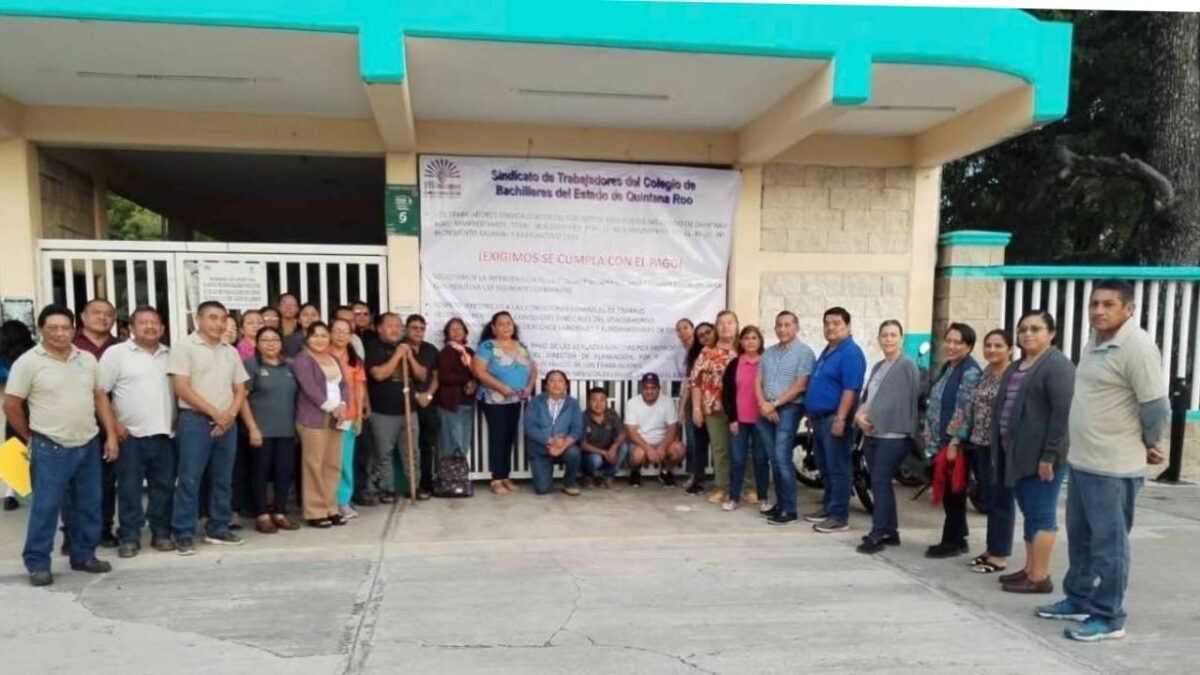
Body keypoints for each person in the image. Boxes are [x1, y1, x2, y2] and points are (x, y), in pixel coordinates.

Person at [1037, 280, 1169, 641]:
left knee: (1110, 545)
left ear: (1128, 309)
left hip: (1113, 467)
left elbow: (1156, 405)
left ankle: (1109, 616)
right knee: (1080, 538)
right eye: (1094, 303)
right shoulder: (1095, 341)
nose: (1098, 310)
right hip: (1082, 461)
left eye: (1108, 304)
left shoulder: (1137, 347)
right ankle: (1079, 598)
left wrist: (1151, 441)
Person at [3, 304, 119, 586]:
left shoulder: (87, 359)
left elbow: (100, 398)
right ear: (41, 330)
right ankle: (38, 563)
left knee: (90, 505)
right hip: (50, 448)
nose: (59, 333)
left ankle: (83, 555)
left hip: (88, 444)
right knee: (46, 507)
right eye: (52, 328)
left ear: (73, 329)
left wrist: (111, 435)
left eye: (65, 327)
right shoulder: (29, 362)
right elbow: (11, 404)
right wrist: (30, 437)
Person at [992, 310, 1075, 594]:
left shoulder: (1057, 366)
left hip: (1041, 459)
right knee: (1029, 514)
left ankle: (1039, 577)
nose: (1028, 334)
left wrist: (1049, 455)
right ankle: (1029, 568)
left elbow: (1062, 415)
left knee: (1041, 515)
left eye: (1036, 329)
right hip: (1016, 455)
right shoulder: (1018, 366)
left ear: (1051, 334)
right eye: (1023, 329)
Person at [169, 301, 249, 555]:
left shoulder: (230, 351)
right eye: (213, 318)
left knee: (222, 479)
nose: (219, 323)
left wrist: (229, 415)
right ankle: (183, 532)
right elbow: (182, 387)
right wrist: (216, 414)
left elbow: (240, 389)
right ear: (198, 320)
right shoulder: (184, 348)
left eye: (223, 318)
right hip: (195, 422)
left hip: (227, 422)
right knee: (190, 479)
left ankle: (218, 526)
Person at [99, 306, 177, 558]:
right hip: (130, 435)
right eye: (143, 322)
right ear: (131, 328)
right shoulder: (116, 354)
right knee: (129, 488)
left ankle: (161, 532)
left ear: (163, 328)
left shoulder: (171, 355)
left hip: (166, 434)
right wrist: (115, 427)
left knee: (163, 487)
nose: (150, 326)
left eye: (155, 322)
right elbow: (100, 393)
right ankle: (129, 536)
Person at [853, 320, 920, 553]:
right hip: (872, 433)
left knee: (880, 483)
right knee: (879, 483)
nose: (888, 339)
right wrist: (860, 416)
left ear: (901, 338)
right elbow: (868, 396)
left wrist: (870, 418)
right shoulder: (879, 366)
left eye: (893, 335)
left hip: (893, 435)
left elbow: (901, 402)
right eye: (884, 335)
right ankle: (890, 531)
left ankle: (878, 532)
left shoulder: (907, 366)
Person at [922, 323, 982, 558]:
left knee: (954, 492)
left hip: (954, 445)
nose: (951, 346)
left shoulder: (970, 372)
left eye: (958, 342)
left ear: (968, 346)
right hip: (940, 442)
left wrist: (954, 442)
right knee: (949, 492)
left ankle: (953, 541)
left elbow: (965, 410)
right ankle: (958, 536)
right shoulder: (949, 367)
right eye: (948, 341)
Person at [805, 307, 867, 534]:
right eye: (827, 323)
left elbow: (850, 389)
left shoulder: (850, 352)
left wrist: (841, 418)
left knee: (839, 468)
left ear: (847, 326)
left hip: (835, 418)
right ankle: (829, 508)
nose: (831, 327)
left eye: (836, 323)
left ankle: (839, 517)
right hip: (820, 419)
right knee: (826, 467)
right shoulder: (829, 350)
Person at [238, 326, 300, 534]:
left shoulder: (289, 367)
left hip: (286, 431)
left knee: (284, 472)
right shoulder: (250, 366)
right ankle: (262, 515)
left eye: (275, 339)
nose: (271, 343)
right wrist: (252, 428)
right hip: (260, 431)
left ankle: (280, 513)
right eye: (265, 340)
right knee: (260, 473)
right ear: (257, 343)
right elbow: (241, 400)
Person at [756, 311, 815, 525]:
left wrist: (775, 404)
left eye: (787, 325)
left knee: (781, 458)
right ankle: (780, 504)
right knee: (775, 460)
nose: (782, 329)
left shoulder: (804, 353)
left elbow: (800, 385)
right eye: (779, 325)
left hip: (788, 408)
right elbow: (758, 381)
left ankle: (789, 510)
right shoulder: (768, 354)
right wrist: (764, 404)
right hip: (765, 409)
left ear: (796, 328)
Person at [71, 298, 120, 548]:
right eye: (96, 313)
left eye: (108, 314)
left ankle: (103, 529)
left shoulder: (120, 347)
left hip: (110, 426)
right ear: (83, 316)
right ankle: (72, 533)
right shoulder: (70, 346)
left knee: (106, 482)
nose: (102, 317)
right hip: (76, 424)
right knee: (73, 483)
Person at [966, 329, 1016, 574]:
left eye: (998, 345)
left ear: (1009, 349)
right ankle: (990, 549)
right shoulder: (985, 373)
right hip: (980, 444)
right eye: (988, 345)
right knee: (988, 498)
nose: (992, 350)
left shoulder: (1013, 375)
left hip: (1001, 448)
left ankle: (999, 555)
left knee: (1001, 501)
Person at [690, 311, 753, 501]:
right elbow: (695, 382)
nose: (726, 327)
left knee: (746, 449)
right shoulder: (707, 352)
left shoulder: (745, 350)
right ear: (716, 328)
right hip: (714, 408)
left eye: (730, 322)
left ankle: (749, 487)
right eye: (721, 323)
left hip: (742, 408)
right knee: (720, 450)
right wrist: (696, 408)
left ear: (737, 325)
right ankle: (722, 487)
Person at [471, 311, 537, 495]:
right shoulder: (487, 346)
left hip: (515, 399)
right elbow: (478, 371)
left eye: (509, 323)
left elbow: (533, 368)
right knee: (498, 437)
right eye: (501, 324)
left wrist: (530, 386)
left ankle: (505, 476)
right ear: (493, 328)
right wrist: (500, 387)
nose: (506, 327)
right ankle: (496, 479)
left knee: (509, 437)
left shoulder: (521, 346)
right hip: (494, 399)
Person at [293, 322, 349, 527]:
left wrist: (343, 404)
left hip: (336, 418)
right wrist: (332, 407)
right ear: (307, 337)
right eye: (315, 335)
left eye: (324, 335)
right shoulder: (303, 360)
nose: (320, 339)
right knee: (313, 465)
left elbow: (343, 385)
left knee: (332, 464)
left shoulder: (333, 358)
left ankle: (330, 508)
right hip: (313, 419)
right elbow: (310, 389)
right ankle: (315, 511)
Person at [364, 313, 419, 503]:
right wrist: (397, 355)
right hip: (383, 411)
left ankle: (414, 486)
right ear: (379, 328)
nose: (395, 329)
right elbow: (378, 375)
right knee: (383, 452)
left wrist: (410, 357)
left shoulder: (406, 347)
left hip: (408, 410)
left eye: (398, 326)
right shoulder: (373, 348)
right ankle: (385, 488)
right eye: (390, 325)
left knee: (411, 451)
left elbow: (421, 375)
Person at [721, 325, 769, 511]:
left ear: (760, 341)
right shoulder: (734, 364)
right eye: (746, 338)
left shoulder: (767, 362)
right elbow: (727, 394)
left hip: (761, 420)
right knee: (738, 460)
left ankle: (764, 498)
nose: (750, 341)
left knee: (760, 459)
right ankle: (733, 497)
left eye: (754, 338)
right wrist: (732, 419)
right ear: (740, 342)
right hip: (739, 421)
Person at [524, 370, 583, 496]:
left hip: (564, 447)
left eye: (560, 381)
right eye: (552, 381)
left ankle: (569, 483)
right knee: (542, 489)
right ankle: (546, 473)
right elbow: (530, 428)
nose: (556, 384)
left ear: (566, 386)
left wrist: (562, 446)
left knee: (574, 453)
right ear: (546, 385)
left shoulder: (573, 404)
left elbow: (576, 430)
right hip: (540, 449)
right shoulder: (535, 402)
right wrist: (551, 441)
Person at [330, 319, 367, 519]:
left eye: (345, 331)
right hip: (325, 417)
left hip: (349, 416)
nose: (341, 335)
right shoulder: (322, 355)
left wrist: (359, 416)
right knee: (328, 462)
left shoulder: (355, 360)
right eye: (337, 330)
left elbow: (359, 388)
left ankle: (343, 500)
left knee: (345, 461)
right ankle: (329, 500)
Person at [403, 314, 441, 500]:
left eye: (421, 328)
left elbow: (435, 376)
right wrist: (416, 395)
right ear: (406, 329)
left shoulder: (431, 349)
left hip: (428, 403)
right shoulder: (400, 348)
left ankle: (426, 483)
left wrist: (429, 395)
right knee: (409, 446)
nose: (418, 331)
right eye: (414, 328)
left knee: (427, 445)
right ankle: (411, 484)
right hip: (407, 404)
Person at [626, 373, 685, 487]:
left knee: (679, 449)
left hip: (661, 442)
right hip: (641, 443)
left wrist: (662, 447)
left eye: (653, 388)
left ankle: (665, 472)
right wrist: (648, 449)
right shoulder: (632, 403)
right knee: (638, 454)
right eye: (646, 388)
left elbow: (673, 428)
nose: (649, 391)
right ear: (641, 389)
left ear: (659, 389)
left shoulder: (667, 402)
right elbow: (631, 433)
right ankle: (635, 472)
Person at [1, 319, 36, 512]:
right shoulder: (34, 352)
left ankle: (11, 493)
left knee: (15, 447)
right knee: (39, 446)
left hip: (13, 407)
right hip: (36, 406)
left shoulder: (3, 358)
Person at [435, 317, 477, 459]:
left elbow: (477, 373)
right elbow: (445, 376)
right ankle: (449, 479)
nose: (456, 331)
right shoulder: (446, 352)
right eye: (452, 329)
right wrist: (467, 381)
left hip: (467, 403)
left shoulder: (469, 352)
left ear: (465, 333)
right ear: (447, 334)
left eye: (459, 328)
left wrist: (474, 382)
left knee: (464, 443)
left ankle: (459, 478)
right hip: (451, 403)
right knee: (453, 443)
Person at [682, 321, 714, 494]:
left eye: (708, 332)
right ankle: (697, 479)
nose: (705, 337)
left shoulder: (725, 353)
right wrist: (688, 408)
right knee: (698, 444)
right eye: (700, 335)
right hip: (697, 405)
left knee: (720, 446)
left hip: (717, 406)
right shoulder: (696, 356)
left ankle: (723, 483)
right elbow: (691, 384)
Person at [580, 387, 627, 489]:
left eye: (602, 400)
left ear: (606, 401)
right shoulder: (583, 417)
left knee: (623, 447)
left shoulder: (612, 414)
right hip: (590, 455)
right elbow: (582, 444)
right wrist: (603, 452)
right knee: (595, 459)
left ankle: (607, 476)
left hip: (609, 452)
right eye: (594, 400)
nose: (598, 404)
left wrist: (614, 447)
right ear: (588, 402)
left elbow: (622, 433)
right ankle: (588, 476)